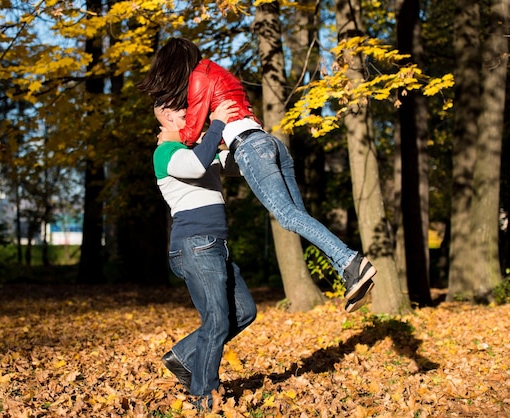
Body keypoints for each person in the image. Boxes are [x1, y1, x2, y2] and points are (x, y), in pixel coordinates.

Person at [138, 37, 376, 313]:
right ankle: (349, 272)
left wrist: (168, 137)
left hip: (251, 147)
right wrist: (209, 134)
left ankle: (352, 262)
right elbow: (211, 138)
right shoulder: (217, 73)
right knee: (298, 217)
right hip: (268, 143)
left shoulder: (199, 78)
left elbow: (191, 133)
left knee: (287, 216)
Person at [153, 99, 257, 411]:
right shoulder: (166, 153)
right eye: (186, 114)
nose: (193, 117)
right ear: (169, 117)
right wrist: (217, 124)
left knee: (243, 312)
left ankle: (184, 356)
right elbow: (197, 165)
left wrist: (251, 135)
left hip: (215, 246)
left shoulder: (199, 149)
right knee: (215, 321)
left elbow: (240, 167)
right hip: (194, 245)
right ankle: (204, 399)